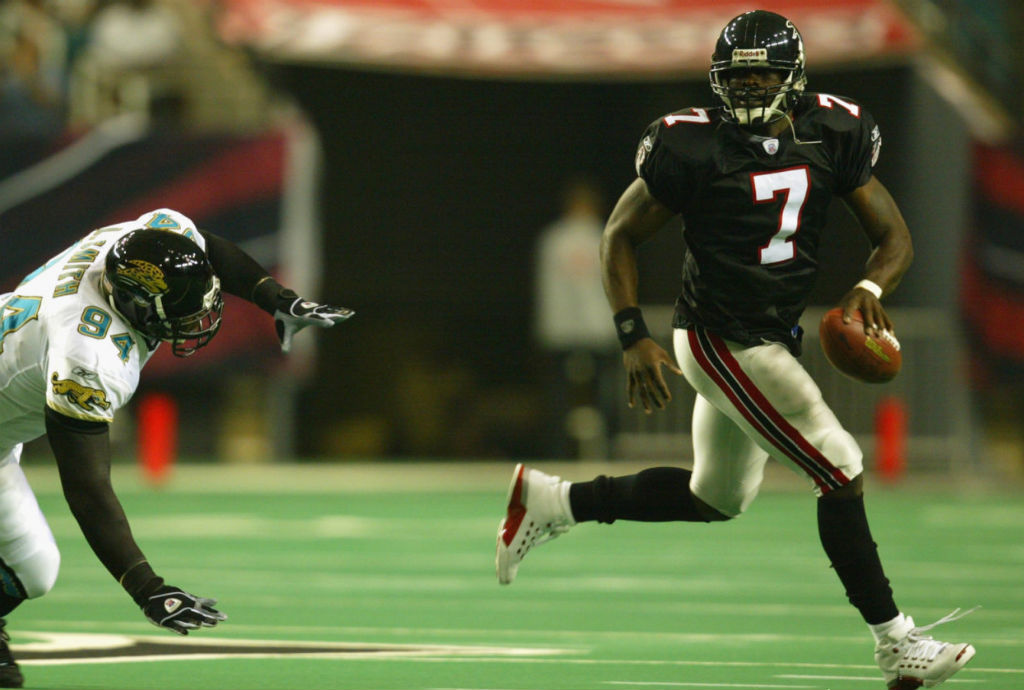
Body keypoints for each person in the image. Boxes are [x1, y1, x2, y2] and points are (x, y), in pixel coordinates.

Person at [496, 10, 975, 690]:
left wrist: (870, 284)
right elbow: (618, 235)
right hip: (721, 338)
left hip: (772, 334)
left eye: (762, 75)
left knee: (715, 497)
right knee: (839, 464)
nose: (748, 88)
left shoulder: (832, 132)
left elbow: (893, 237)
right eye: (737, 75)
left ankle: (554, 502)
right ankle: (896, 641)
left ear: (794, 78)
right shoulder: (691, 143)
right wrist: (632, 333)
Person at [0, 208, 352, 687]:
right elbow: (86, 486)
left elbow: (207, 248)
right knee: (34, 566)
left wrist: (276, 298)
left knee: (34, 570)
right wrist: (149, 588)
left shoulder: (138, 246)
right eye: (188, 315)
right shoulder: (88, 350)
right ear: (139, 306)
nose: (202, 321)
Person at [533, 177, 618, 459]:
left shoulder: (552, 238)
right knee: (600, 393)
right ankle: (605, 449)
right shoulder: (604, 234)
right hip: (596, 329)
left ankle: (560, 452)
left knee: (562, 396)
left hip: (561, 329)